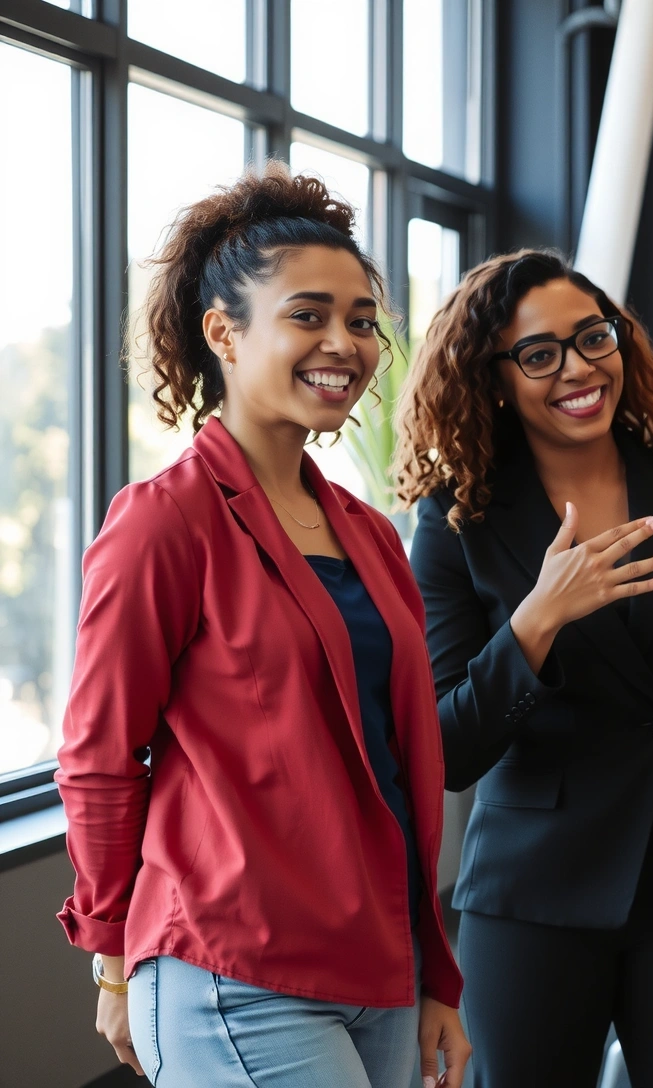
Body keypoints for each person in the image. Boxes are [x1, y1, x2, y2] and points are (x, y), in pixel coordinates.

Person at [55, 166, 469, 1087]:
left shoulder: (368, 533)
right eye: (309, 315)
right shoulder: (165, 520)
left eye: (362, 320)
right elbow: (98, 756)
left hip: (382, 967)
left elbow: (400, 770)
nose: (346, 343)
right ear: (224, 333)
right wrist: (113, 952)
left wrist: (436, 977)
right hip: (231, 969)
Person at [393, 248, 653, 1087]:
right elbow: (446, 751)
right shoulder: (457, 522)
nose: (579, 368)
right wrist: (538, 618)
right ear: (495, 377)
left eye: (594, 338)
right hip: (535, 891)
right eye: (540, 354)